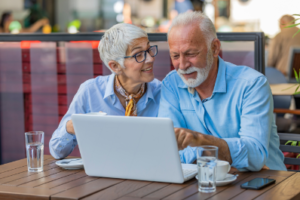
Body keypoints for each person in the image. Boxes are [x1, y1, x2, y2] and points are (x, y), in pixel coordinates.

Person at [158, 11, 286, 171]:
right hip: (204, 182)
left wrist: (198, 141)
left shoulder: (252, 84)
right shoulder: (171, 83)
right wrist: (222, 162)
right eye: (175, 56)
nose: (182, 65)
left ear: (215, 48)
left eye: (190, 54)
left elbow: (255, 155)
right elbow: (169, 148)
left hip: (264, 185)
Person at [49, 23, 161, 159]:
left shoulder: (163, 93)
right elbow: (56, 151)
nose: (150, 58)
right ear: (115, 66)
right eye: (138, 55)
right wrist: (72, 127)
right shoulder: (90, 91)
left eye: (149, 50)